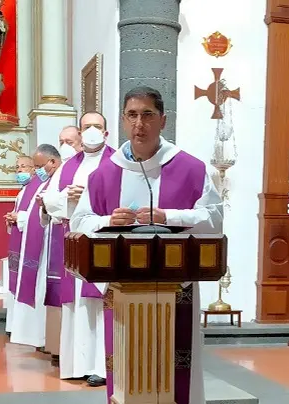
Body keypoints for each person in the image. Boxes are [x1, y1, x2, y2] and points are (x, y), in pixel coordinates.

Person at [70, 86, 223, 404]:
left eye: (148, 115)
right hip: (122, 289)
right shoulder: (104, 174)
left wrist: (170, 215)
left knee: (176, 368)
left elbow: (215, 219)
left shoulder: (190, 169)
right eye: (132, 115)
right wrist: (108, 222)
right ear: (124, 121)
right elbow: (79, 223)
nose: (140, 123)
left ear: (163, 120)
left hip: (176, 286)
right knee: (130, 363)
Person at [40, 113, 115, 385]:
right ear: (80, 134)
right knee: (77, 305)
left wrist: (87, 199)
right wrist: (66, 197)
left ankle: (103, 367)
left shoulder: (118, 162)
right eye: (87, 127)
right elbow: (49, 201)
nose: (92, 131)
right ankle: (78, 364)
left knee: (101, 304)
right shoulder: (69, 165)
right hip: (74, 240)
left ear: (106, 132)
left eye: (98, 126)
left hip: (104, 240)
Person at [35, 125, 82, 367]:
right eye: (61, 141)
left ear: (81, 141)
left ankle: (79, 354)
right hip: (59, 233)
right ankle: (58, 346)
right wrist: (48, 204)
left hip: (82, 236)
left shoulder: (89, 166)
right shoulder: (60, 171)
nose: (66, 146)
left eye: (70, 141)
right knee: (58, 289)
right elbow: (50, 202)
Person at [10, 144, 62, 349]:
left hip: (53, 242)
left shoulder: (52, 181)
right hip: (40, 239)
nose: (36, 170)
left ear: (52, 162)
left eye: (37, 165)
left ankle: (43, 337)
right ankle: (38, 336)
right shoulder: (41, 183)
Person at [4, 156, 39, 335]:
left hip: (30, 243)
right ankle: (14, 326)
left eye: (24, 166)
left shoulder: (37, 187)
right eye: (17, 167)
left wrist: (20, 218)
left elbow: (37, 215)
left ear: (34, 168)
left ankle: (22, 328)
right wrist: (12, 217)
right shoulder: (23, 190)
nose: (19, 170)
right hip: (19, 240)